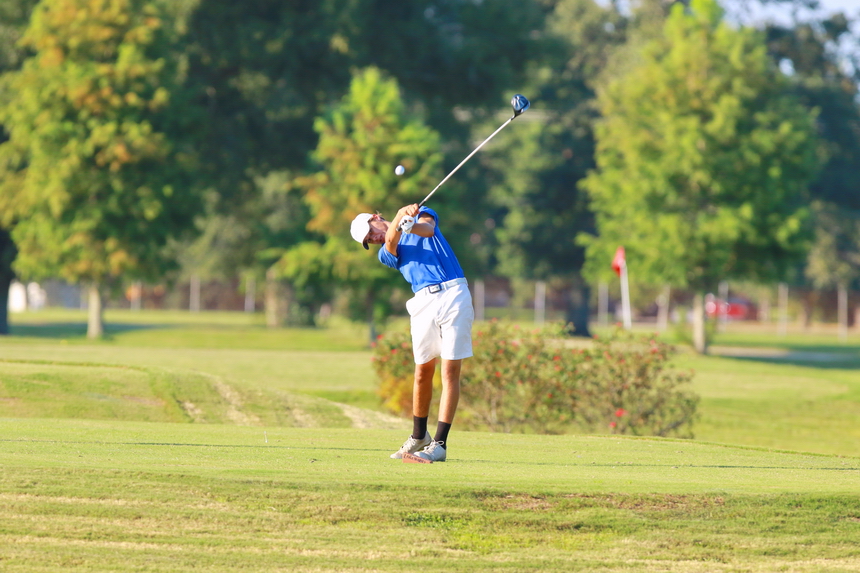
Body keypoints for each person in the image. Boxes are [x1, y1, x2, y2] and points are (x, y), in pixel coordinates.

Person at [350, 203, 474, 462]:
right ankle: (419, 436)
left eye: (371, 232)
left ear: (375, 218)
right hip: (422, 302)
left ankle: (439, 445)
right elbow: (391, 241)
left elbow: (428, 230)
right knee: (422, 373)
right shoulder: (385, 253)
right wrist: (399, 220)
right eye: (369, 240)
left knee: (449, 372)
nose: (373, 238)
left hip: (453, 293)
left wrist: (412, 225)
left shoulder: (422, 214)